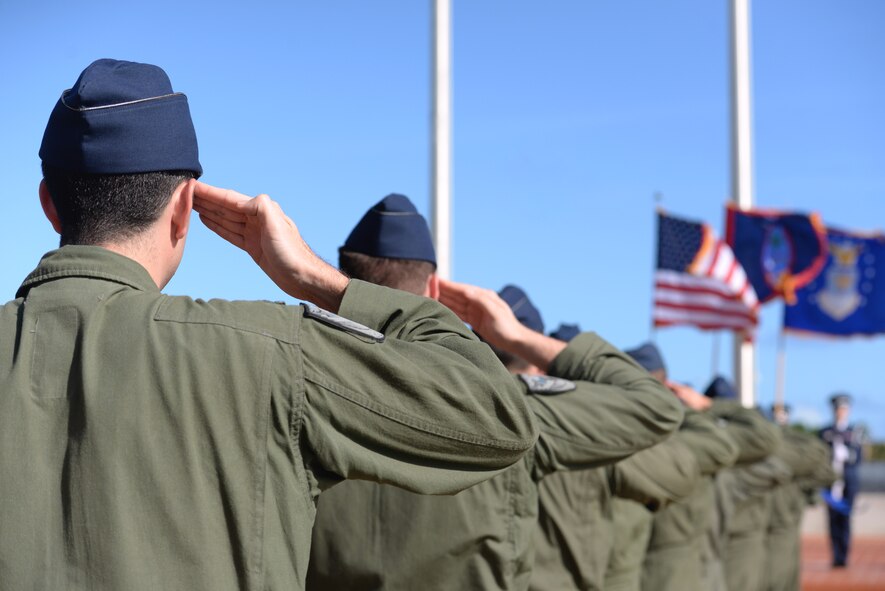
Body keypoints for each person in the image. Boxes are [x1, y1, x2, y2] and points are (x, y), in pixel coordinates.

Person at [0, 59, 542, 590]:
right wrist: (314, 279)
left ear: (50, 205)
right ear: (185, 208)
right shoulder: (270, 354)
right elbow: (494, 415)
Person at [307, 196, 685, 590]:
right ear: (433, 287)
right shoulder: (501, 407)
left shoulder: (298, 386)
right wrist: (515, 336)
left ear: (346, 278)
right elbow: (653, 407)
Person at [764, 405, 835, 591]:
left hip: (783, 516)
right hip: (771, 517)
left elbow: (825, 471)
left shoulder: (791, 448)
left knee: (784, 570)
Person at [819, 393, 865, 568]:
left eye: (843, 408)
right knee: (832, 521)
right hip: (830, 484)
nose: (840, 412)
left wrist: (848, 455)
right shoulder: (825, 432)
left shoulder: (854, 432)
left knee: (845, 520)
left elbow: (859, 457)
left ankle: (843, 556)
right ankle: (835, 555)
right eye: (838, 408)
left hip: (848, 483)